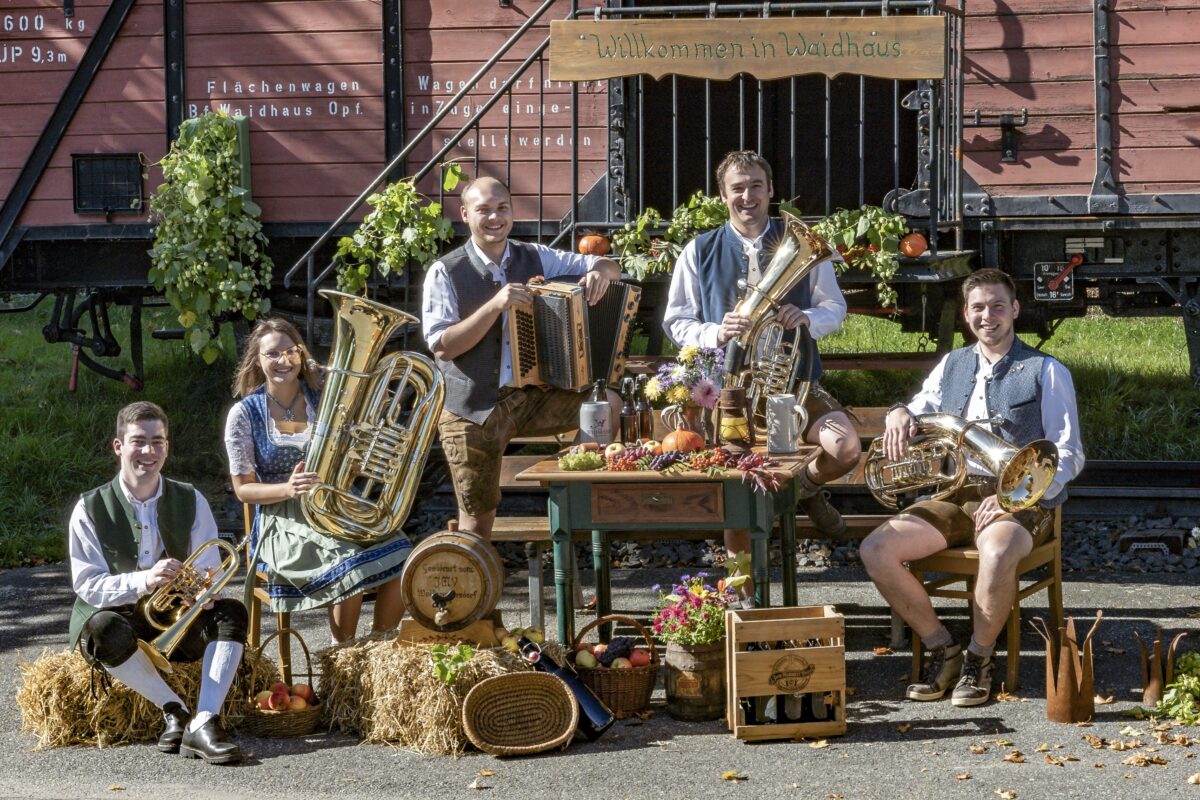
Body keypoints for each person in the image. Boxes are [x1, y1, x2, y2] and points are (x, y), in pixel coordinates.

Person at [859, 268, 1084, 707]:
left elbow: (1070, 452)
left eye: (998, 305)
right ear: (966, 314)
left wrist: (1011, 499)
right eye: (978, 307)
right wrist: (900, 412)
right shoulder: (953, 363)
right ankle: (945, 649)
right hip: (956, 494)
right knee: (875, 550)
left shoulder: (1047, 370)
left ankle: (979, 660)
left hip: (1022, 498)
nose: (988, 316)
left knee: (997, 551)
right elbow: (922, 406)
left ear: (1015, 309)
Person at [663, 150, 861, 601]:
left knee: (845, 447)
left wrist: (806, 317)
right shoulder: (699, 250)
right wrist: (716, 330)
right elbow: (676, 322)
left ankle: (802, 491)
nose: (747, 196)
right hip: (730, 392)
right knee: (738, 495)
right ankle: (742, 601)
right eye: (738, 187)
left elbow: (835, 309)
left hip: (794, 387)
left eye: (756, 185)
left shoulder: (802, 245)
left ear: (770, 191)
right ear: (723, 195)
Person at [422, 175, 622, 540]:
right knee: (476, 524)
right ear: (465, 214)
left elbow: (610, 265)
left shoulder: (534, 255)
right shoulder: (444, 271)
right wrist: (495, 305)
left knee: (606, 401)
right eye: (483, 210)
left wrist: (598, 274)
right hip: (471, 408)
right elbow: (443, 346)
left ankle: (577, 489)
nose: (495, 218)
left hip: (530, 399)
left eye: (502, 208)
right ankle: (479, 595)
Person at [69, 401, 247, 764]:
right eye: (138, 441)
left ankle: (204, 722)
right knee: (102, 629)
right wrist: (144, 580)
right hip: (122, 623)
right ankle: (174, 709)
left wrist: (203, 590)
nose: (148, 451)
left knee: (231, 612)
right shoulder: (89, 508)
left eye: (158, 441)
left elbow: (210, 564)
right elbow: (87, 583)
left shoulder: (190, 498)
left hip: (176, 623)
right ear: (118, 446)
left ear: (168, 446)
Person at [225, 317, 411, 644]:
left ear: (301, 354)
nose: (283, 361)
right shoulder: (243, 414)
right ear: (257, 360)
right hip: (282, 519)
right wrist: (288, 488)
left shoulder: (324, 399)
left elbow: (355, 449)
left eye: (290, 352)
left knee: (404, 554)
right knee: (348, 563)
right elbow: (243, 490)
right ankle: (346, 654)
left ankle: (379, 649)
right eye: (272, 354)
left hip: (335, 502)